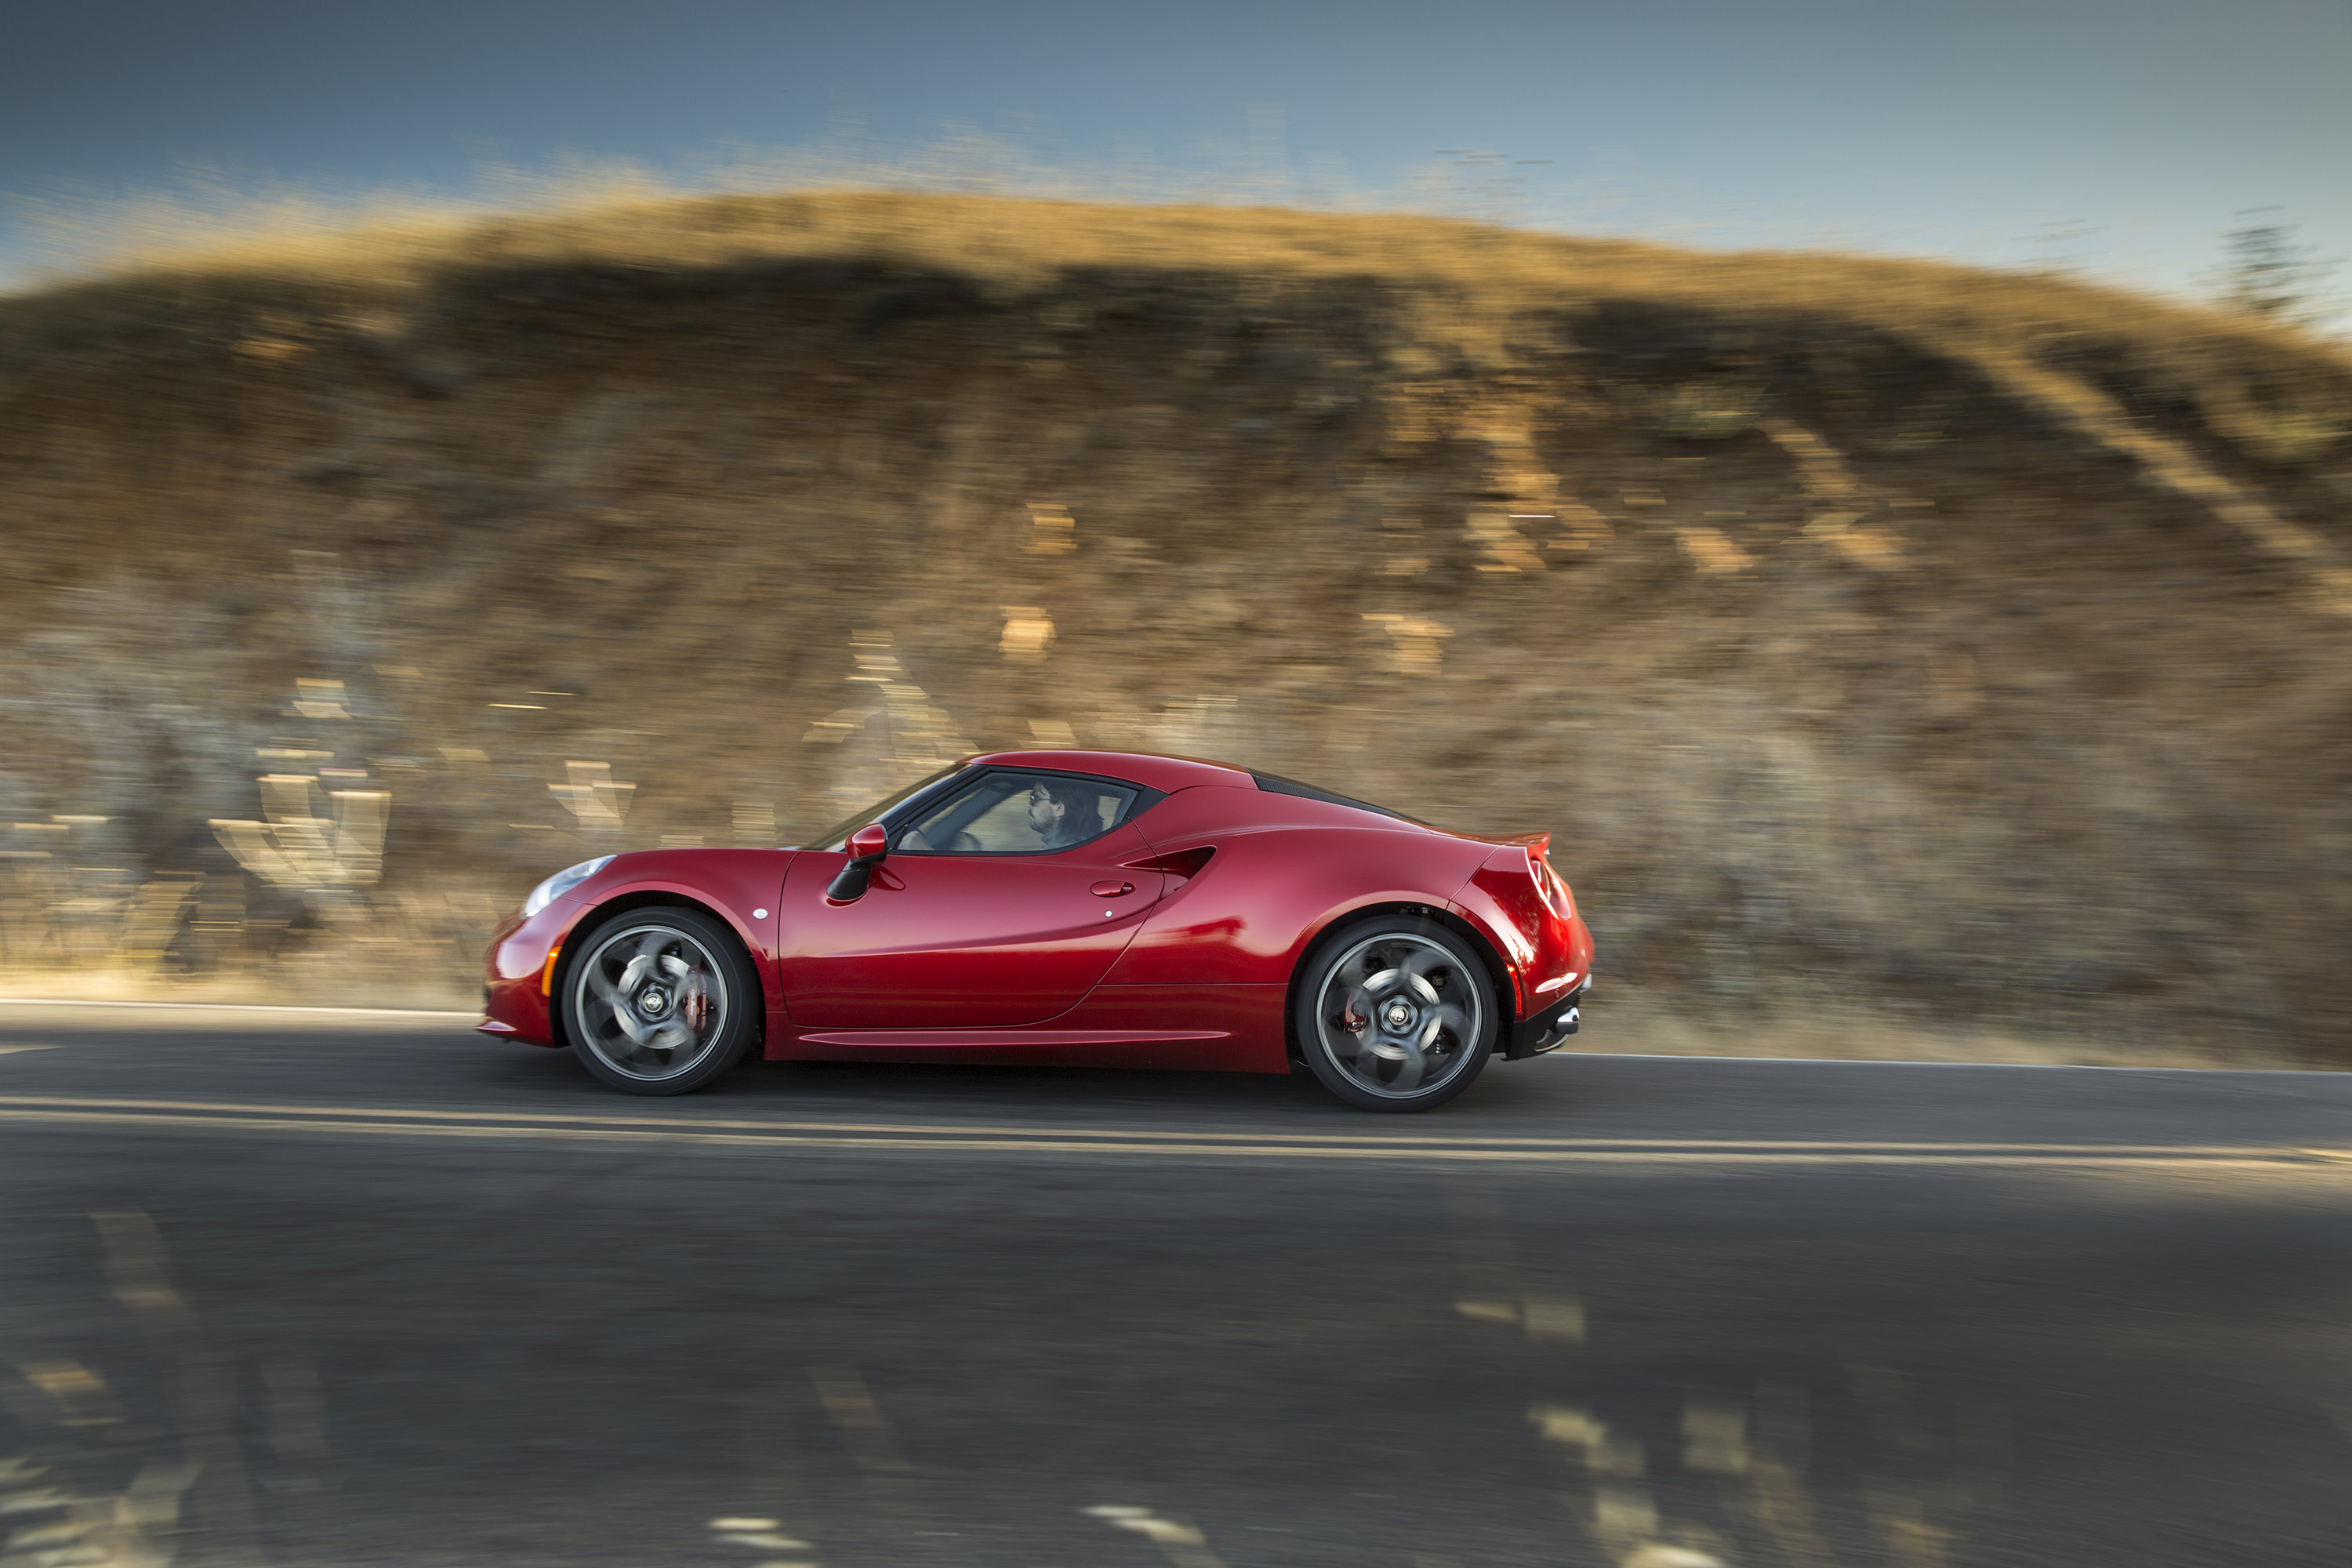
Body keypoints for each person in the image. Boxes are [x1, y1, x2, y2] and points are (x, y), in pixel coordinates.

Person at [1026, 779, 1096, 849]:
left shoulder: (1058, 852)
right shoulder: (1086, 846)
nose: (1029, 804)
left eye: (1035, 797)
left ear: (1059, 808)